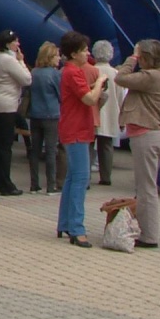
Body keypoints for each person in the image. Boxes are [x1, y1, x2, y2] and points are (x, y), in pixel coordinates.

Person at [114, 39, 160, 249]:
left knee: (146, 188)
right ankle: (145, 230)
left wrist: (132, 57)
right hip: (150, 135)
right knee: (144, 186)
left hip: (146, 135)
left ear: (147, 58)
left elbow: (120, 77)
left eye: (141, 57)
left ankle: (149, 236)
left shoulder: (151, 77)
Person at [55, 31, 106, 248]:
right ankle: (77, 228)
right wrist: (100, 82)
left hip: (73, 128)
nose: (87, 54)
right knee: (81, 179)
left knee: (72, 177)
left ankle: (65, 222)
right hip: (76, 130)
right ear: (74, 53)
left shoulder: (69, 71)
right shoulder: (73, 72)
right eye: (84, 50)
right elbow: (89, 99)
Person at [0, 29, 32, 196]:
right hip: (5, 105)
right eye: (15, 41)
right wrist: (22, 61)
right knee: (5, 146)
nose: (18, 44)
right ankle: (5, 184)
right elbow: (26, 79)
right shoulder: (9, 60)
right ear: (9, 44)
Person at [28, 42, 62, 194]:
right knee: (50, 151)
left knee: (34, 150)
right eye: (57, 55)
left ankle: (34, 184)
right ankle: (51, 185)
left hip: (35, 114)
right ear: (50, 57)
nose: (59, 58)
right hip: (51, 115)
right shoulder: (55, 74)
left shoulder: (34, 72)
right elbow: (61, 95)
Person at [91, 40, 122, 187]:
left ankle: (86, 176)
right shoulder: (115, 73)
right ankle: (106, 176)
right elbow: (120, 96)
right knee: (107, 145)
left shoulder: (91, 70)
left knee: (89, 144)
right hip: (110, 112)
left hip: (93, 110)